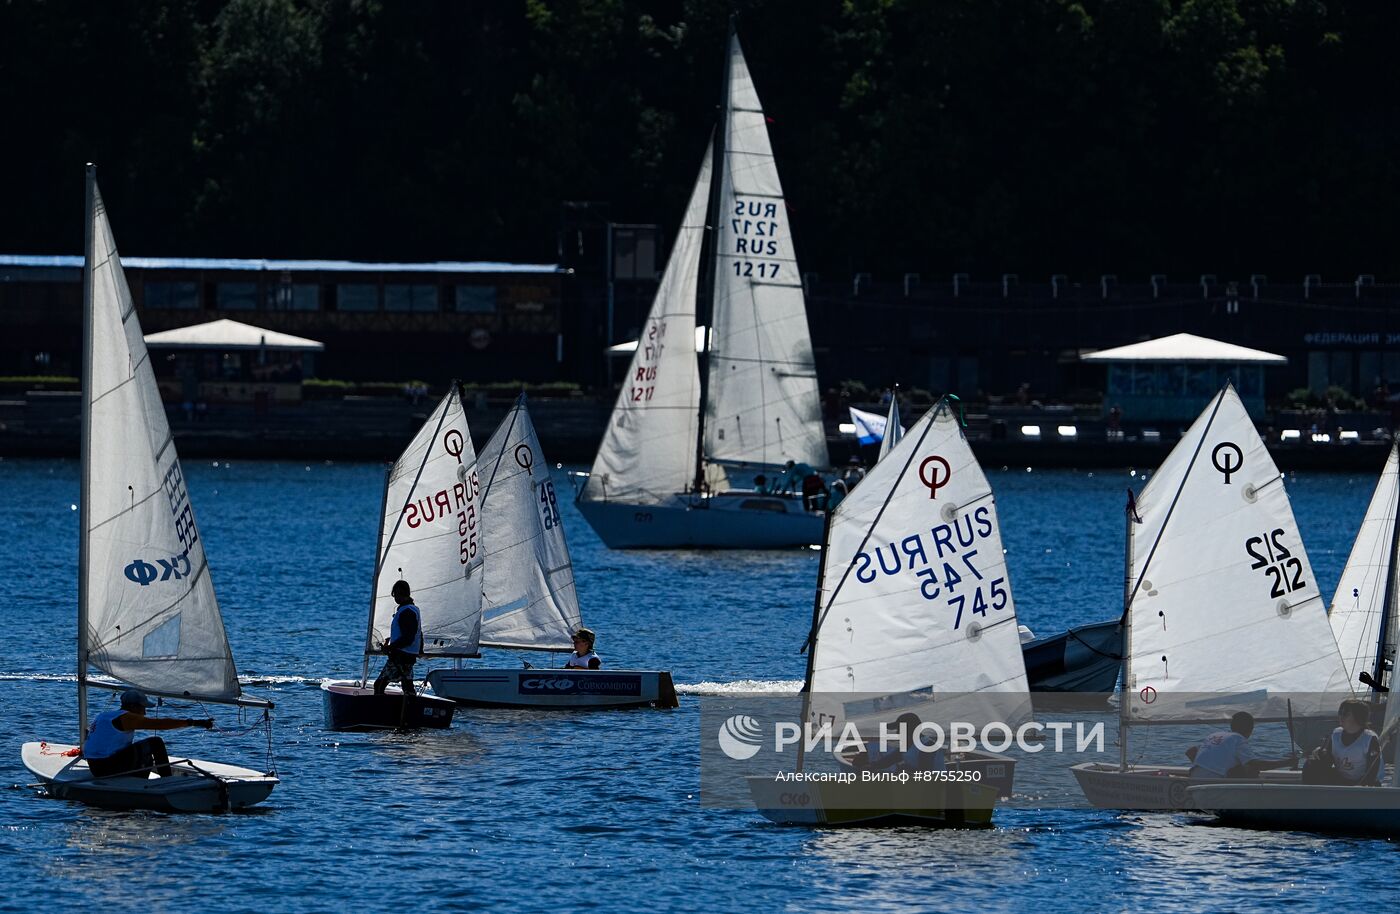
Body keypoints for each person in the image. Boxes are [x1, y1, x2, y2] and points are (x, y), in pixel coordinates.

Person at [83, 689, 213, 778]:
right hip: (106, 768)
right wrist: (194, 722)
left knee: (142, 752)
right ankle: (166, 779)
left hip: (95, 767)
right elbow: (160, 724)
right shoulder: (127, 717)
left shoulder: (104, 716)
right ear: (133, 707)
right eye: (143, 708)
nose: (145, 712)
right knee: (155, 743)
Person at [1185, 711, 1296, 779]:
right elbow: (1255, 765)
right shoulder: (1238, 738)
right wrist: (1287, 762)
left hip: (1194, 778)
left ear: (1232, 726)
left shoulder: (1215, 735)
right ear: (1250, 729)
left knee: (1238, 768)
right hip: (1213, 782)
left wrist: (1207, 765)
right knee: (1251, 770)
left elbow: (1190, 751)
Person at [1303, 698, 1382, 785]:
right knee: (1311, 764)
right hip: (1341, 780)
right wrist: (1319, 754)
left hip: (1362, 783)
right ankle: (1309, 795)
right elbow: (1327, 762)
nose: (1341, 717)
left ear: (1358, 716)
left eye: (1345, 714)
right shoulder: (1336, 734)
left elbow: (1372, 770)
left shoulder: (1369, 739)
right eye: (1340, 713)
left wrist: (1359, 787)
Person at [374, 579, 422, 700]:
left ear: (401, 594)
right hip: (408, 656)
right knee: (407, 687)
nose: (395, 597)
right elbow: (419, 633)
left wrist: (390, 647)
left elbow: (408, 638)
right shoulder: (413, 609)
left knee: (379, 686)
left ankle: (381, 713)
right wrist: (420, 649)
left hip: (401, 656)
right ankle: (409, 712)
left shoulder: (407, 612)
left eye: (396, 594)